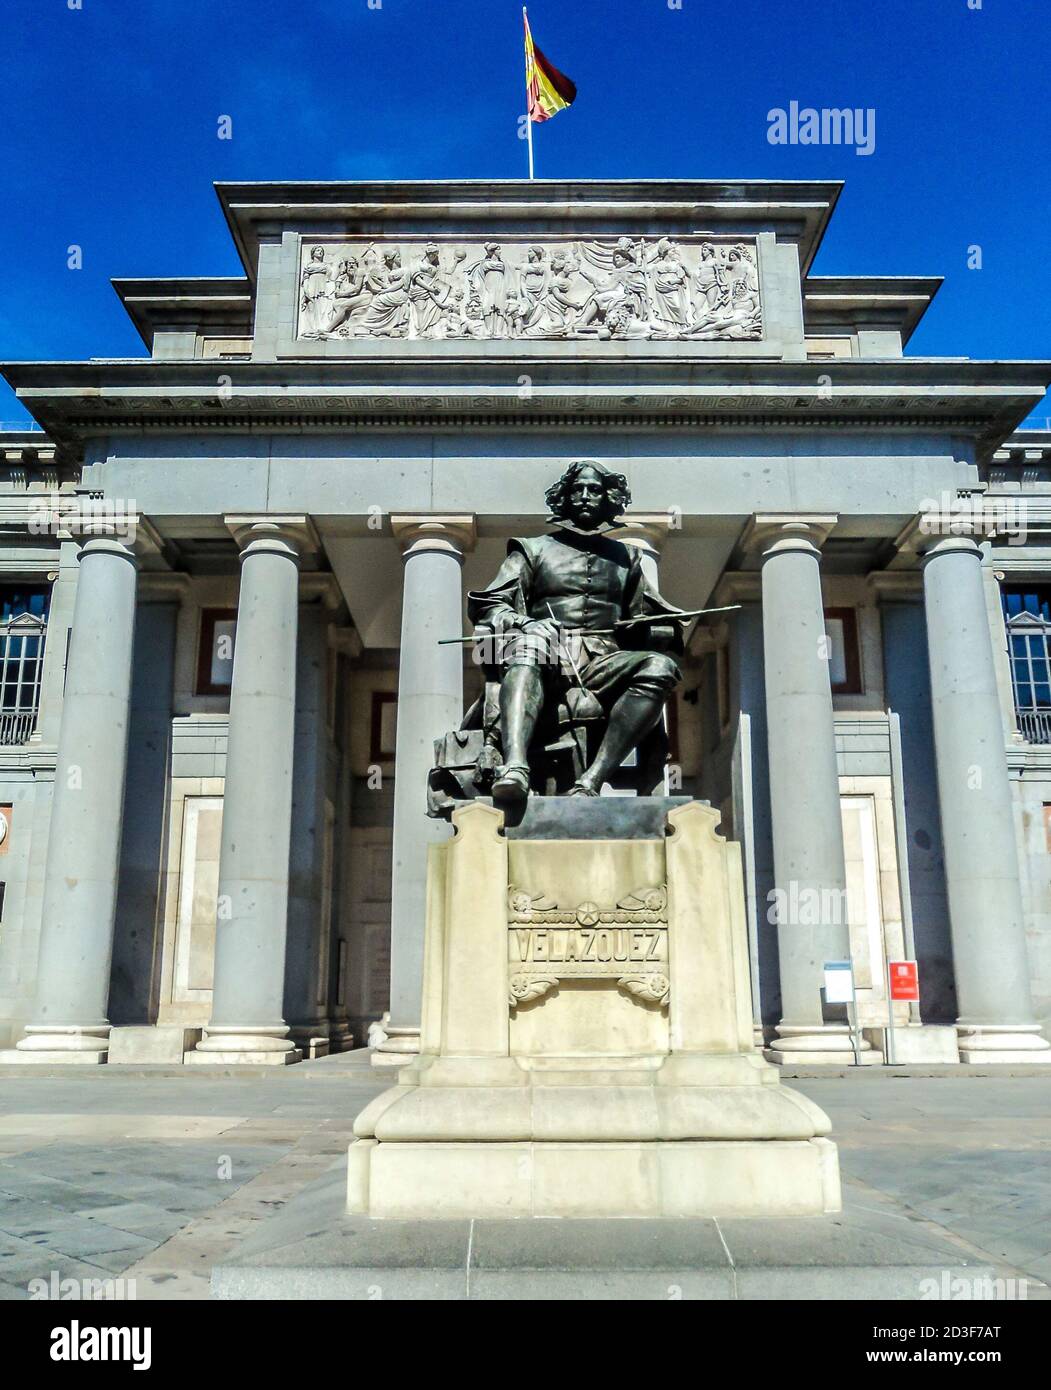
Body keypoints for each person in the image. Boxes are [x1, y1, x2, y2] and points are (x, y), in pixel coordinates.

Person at [467, 460, 685, 800]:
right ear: (564, 499)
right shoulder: (531, 550)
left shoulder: (629, 558)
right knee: (527, 647)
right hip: (547, 653)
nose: (585, 496)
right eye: (577, 490)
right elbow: (491, 604)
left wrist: (660, 629)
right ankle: (515, 768)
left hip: (603, 661)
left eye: (594, 490)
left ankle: (592, 781)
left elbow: (646, 620)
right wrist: (526, 623)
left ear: (608, 499)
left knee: (660, 667)